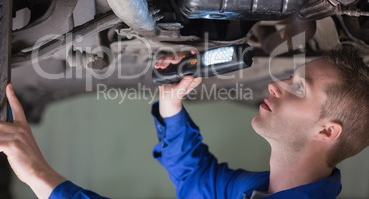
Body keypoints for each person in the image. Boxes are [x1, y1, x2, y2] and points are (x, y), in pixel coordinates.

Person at [151, 47, 369, 198]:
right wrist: (170, 105)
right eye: (292, 79)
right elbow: (194, 178)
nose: (275, 85)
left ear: (326, 131)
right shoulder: (254, 188)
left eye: (300, 88)